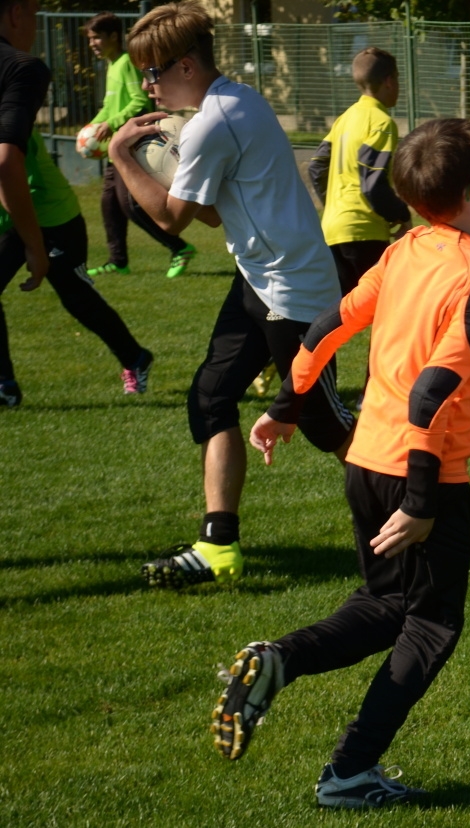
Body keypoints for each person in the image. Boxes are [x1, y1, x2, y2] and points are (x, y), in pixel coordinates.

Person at [210, 117, 470, 810]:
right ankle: (350, 772)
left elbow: (326, 326)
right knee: (431, 623)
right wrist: (422, 499)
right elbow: (435, 391)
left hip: (366, 461)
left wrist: (286, 405)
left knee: (385, 604)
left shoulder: (406, 249)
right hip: (420, 474)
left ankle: (279, 659)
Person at [108, 1, 354, 586]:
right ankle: (219, 545)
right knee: (209, 399)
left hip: (294, 296)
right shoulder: (237, 100)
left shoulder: (215, 122)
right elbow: (219, 217)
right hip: (258, 281)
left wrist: (121, 156)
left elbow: (171, 221)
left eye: (154, 72)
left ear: (186, 66)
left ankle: (419, 508)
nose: (149, 85)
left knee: (325, 426)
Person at [0, 0, 153, 409]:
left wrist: (106, 126)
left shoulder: (21, 69)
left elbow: (7, 161)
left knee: (77, 297)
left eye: (96, 36)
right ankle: (5, 385)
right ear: (16, 14)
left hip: (50, 212)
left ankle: (135, 357)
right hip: (11, 211)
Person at [82, 11, 196, 280]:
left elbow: (137, 102)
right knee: (109, 206)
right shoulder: (112, 66)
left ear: (113, 36)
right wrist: (90, 129)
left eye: (97, 37)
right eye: (90, 39)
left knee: (131, 205)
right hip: (115, 147)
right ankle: (117, 261)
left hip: (131, 146)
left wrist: (111, 124)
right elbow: (110, 107)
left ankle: (180, 247)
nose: (93, 44)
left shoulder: (125, 63)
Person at [307, 45, 410, 298]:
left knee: (341, 312)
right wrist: (401, 214)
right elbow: (372, 183)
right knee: (386, 307)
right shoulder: (381, 122)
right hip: (364, 232)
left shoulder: (345, 118)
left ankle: (306, 339)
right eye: (397, 79)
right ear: (388, 81)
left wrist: (336, 208)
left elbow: (316, 167)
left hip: (333, 229)